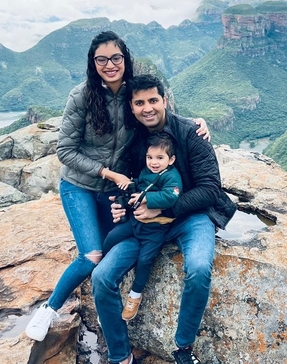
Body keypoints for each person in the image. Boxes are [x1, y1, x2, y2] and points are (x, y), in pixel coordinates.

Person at [25, 32, 209, 342]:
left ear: (125, 60)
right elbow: (65, 151)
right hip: (81, 186)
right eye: (102, 59)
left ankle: (119, 336)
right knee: (91, 255)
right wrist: (108, 174)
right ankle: (48, 309)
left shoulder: (131, 95)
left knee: (115, 249)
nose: (109, 65)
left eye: (116, 58)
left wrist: (194, 122)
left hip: (115, 194)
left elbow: (154, 112)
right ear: (92, 63)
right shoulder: (81, 96)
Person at [91, 74, 237, 364]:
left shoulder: (190, 133)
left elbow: (210, 189)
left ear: (164, 101)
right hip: (145, 225)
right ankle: (120, 356)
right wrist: (122, 206)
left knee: (197, 269)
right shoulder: (134, 144)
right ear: (132, 107)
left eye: (153, 100)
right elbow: (130, 186)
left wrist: (164, 210)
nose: (148, 108)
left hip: (191, 217)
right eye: (140, 103)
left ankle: (183, 348)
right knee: (101, 277)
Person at [102, 132, 182, 322]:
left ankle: (135, 296)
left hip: (155, 230)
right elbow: (140, 184)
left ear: (171, 160)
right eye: (150, 157)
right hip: (136, 222)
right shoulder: (147, 172)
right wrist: (128, 188)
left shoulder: (172, 176)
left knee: (145, 260)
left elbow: (172, 196)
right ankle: (101, 264)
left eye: (160, 158)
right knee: (112, 237)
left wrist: (146, 198)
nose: (154, 162)